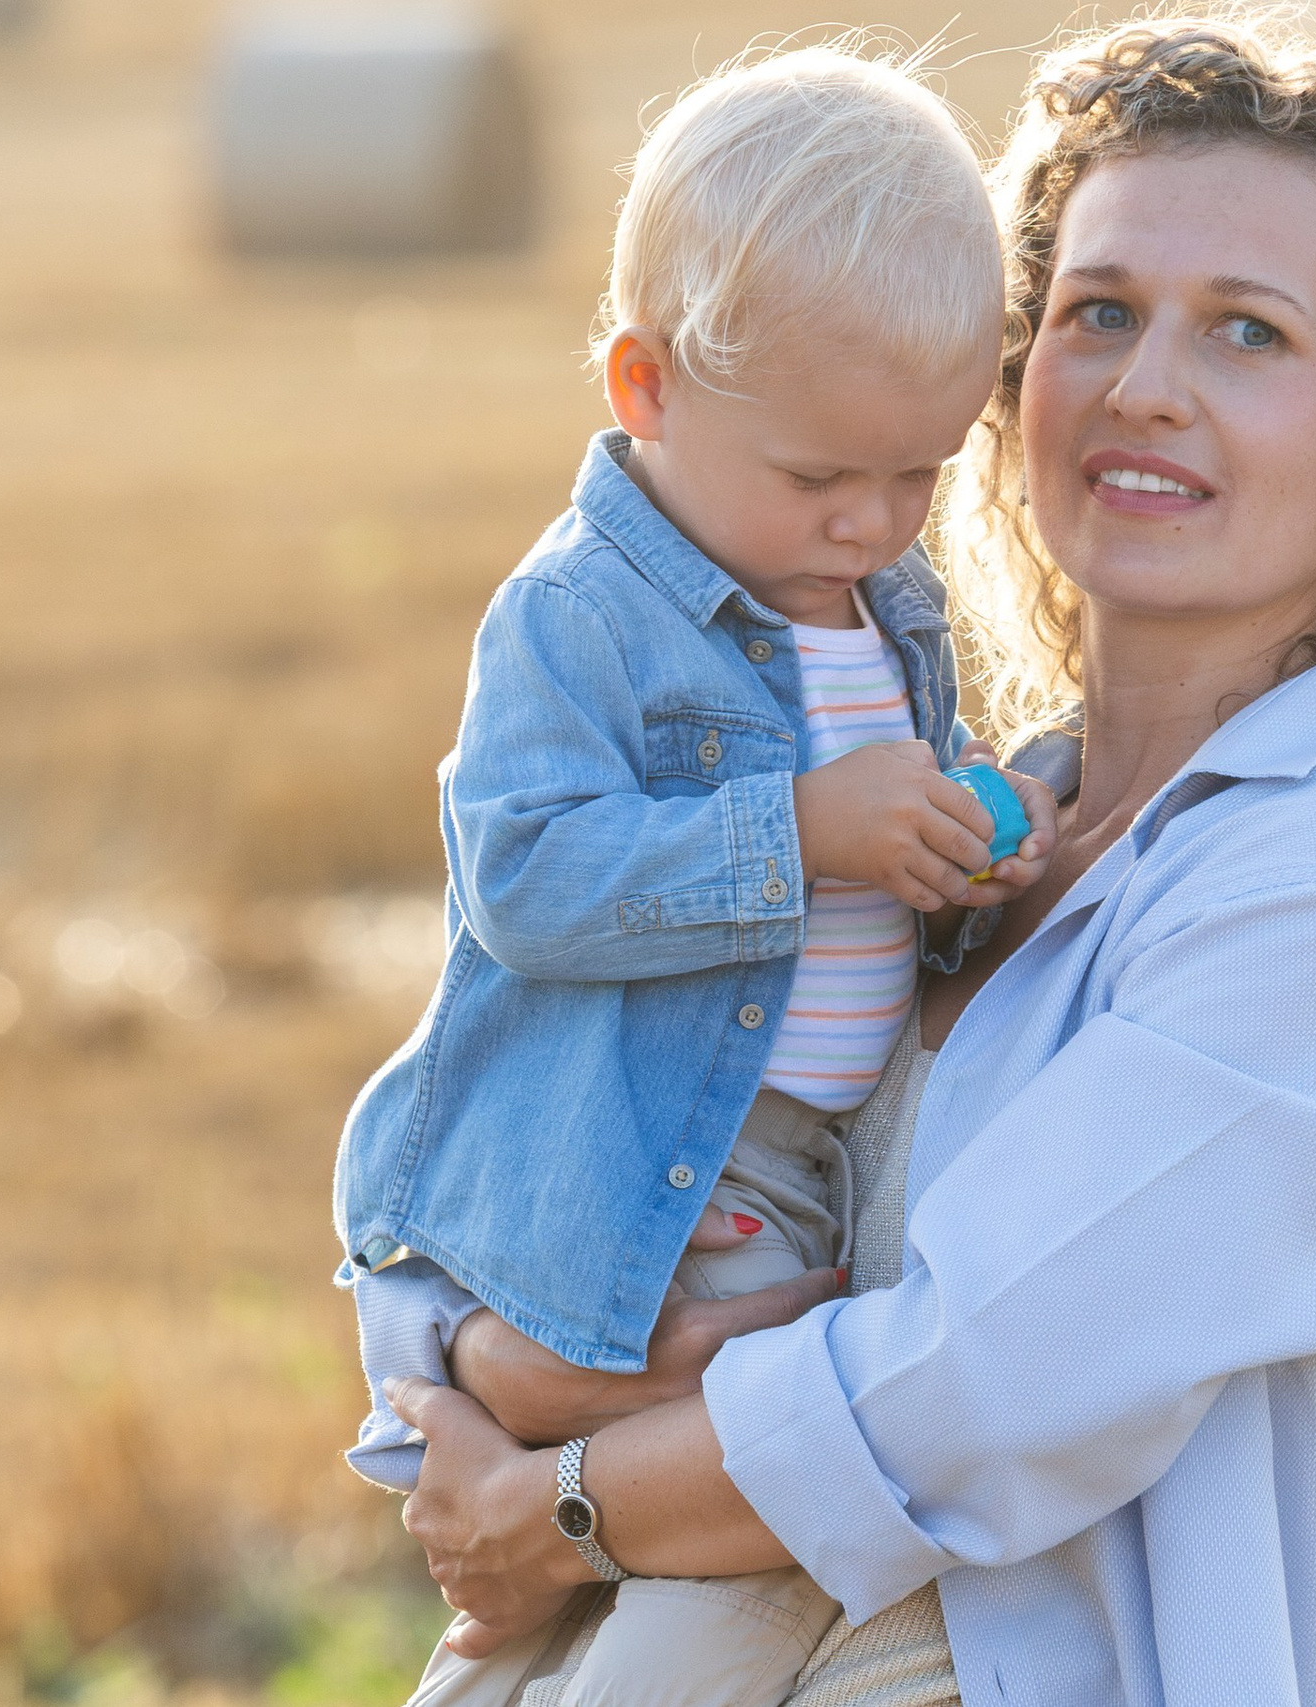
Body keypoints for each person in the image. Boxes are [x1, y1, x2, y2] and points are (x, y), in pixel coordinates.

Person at [385, 16, 1316, 1706]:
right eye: (1100, 312)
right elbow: (525, 1098)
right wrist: (461, 1346)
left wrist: (554, 1500)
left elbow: (971, 1384)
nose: (1146, 384)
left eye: (1249, 334)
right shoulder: (959, 821)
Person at [327, 47, 1057, 1707]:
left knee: (591, 1579)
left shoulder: (884, 605)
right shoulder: (584, 615)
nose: (875, 522)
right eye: (822, 476)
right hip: (656, 1176)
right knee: (719, 1565)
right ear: (643, 388)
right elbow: (524, 877)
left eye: (922, 474)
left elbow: (882, 887)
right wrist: (801, 831)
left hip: (803, 1177)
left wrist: (971, 843)